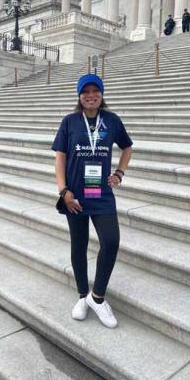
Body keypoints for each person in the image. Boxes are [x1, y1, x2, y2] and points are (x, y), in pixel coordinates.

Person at [52, 74, 133, 328]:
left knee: (111, 241)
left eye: (94, 90)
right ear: (79, 95)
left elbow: (127, 147)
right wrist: (63, 190)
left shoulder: (112, 120)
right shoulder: (69, 122)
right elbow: (60, 158)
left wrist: (119, 173)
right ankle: (81, 296)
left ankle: (97, 297)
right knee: (79, 244)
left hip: (101, 194)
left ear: (101, 94)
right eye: (85, 91)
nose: (90, 95)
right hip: (74, 195)